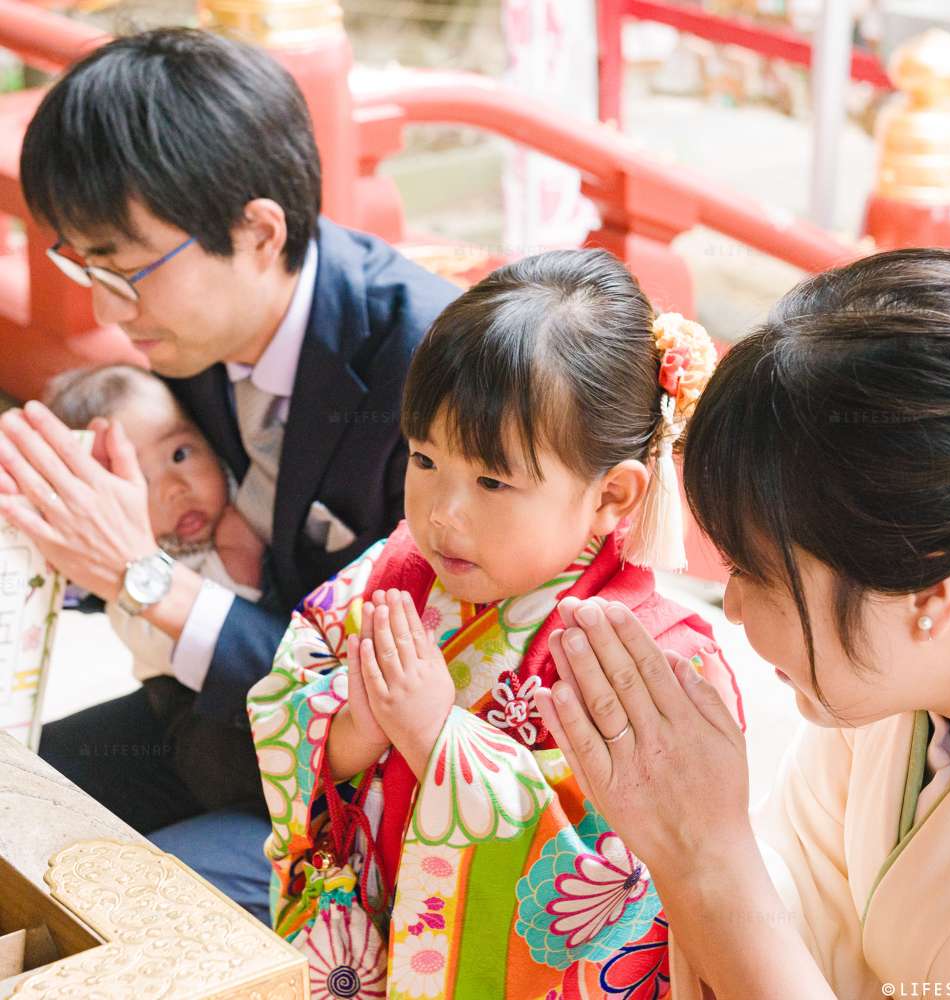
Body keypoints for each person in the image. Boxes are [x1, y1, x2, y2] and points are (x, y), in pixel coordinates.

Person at [0, 27, 457, 922]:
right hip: (213, 723)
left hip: (366, 786)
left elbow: (385, 691)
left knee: (129, 919)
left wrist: (143, 575)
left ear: (258, 231)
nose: (102, 307)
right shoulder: (190, 331)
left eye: (125, 270)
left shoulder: (428, 372)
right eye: (82, 263)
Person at [247, 249, 743, 995]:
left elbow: (617, 883)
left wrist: (432, 736)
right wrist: (355, 727)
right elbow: (291, 689)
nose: (443, 513)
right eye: (424, 459)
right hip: (364, 951)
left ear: (612, 494)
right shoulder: (402, 569)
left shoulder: (659, 660)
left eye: (490, 480)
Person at [534, 248, 950, 998]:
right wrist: (685, 831)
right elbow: (804, 918)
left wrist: (706, 859)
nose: (736, 607)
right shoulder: (883, 707)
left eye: (759, 573)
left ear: (928, 593)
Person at [45, 364, 270, 803]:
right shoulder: (128, 588)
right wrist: (238, 560)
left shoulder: (241, 493)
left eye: (181, 454)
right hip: (187, 708)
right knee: (210, 761)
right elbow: (169, 641)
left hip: (275, 694)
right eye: (140, 481)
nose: (174, 488)